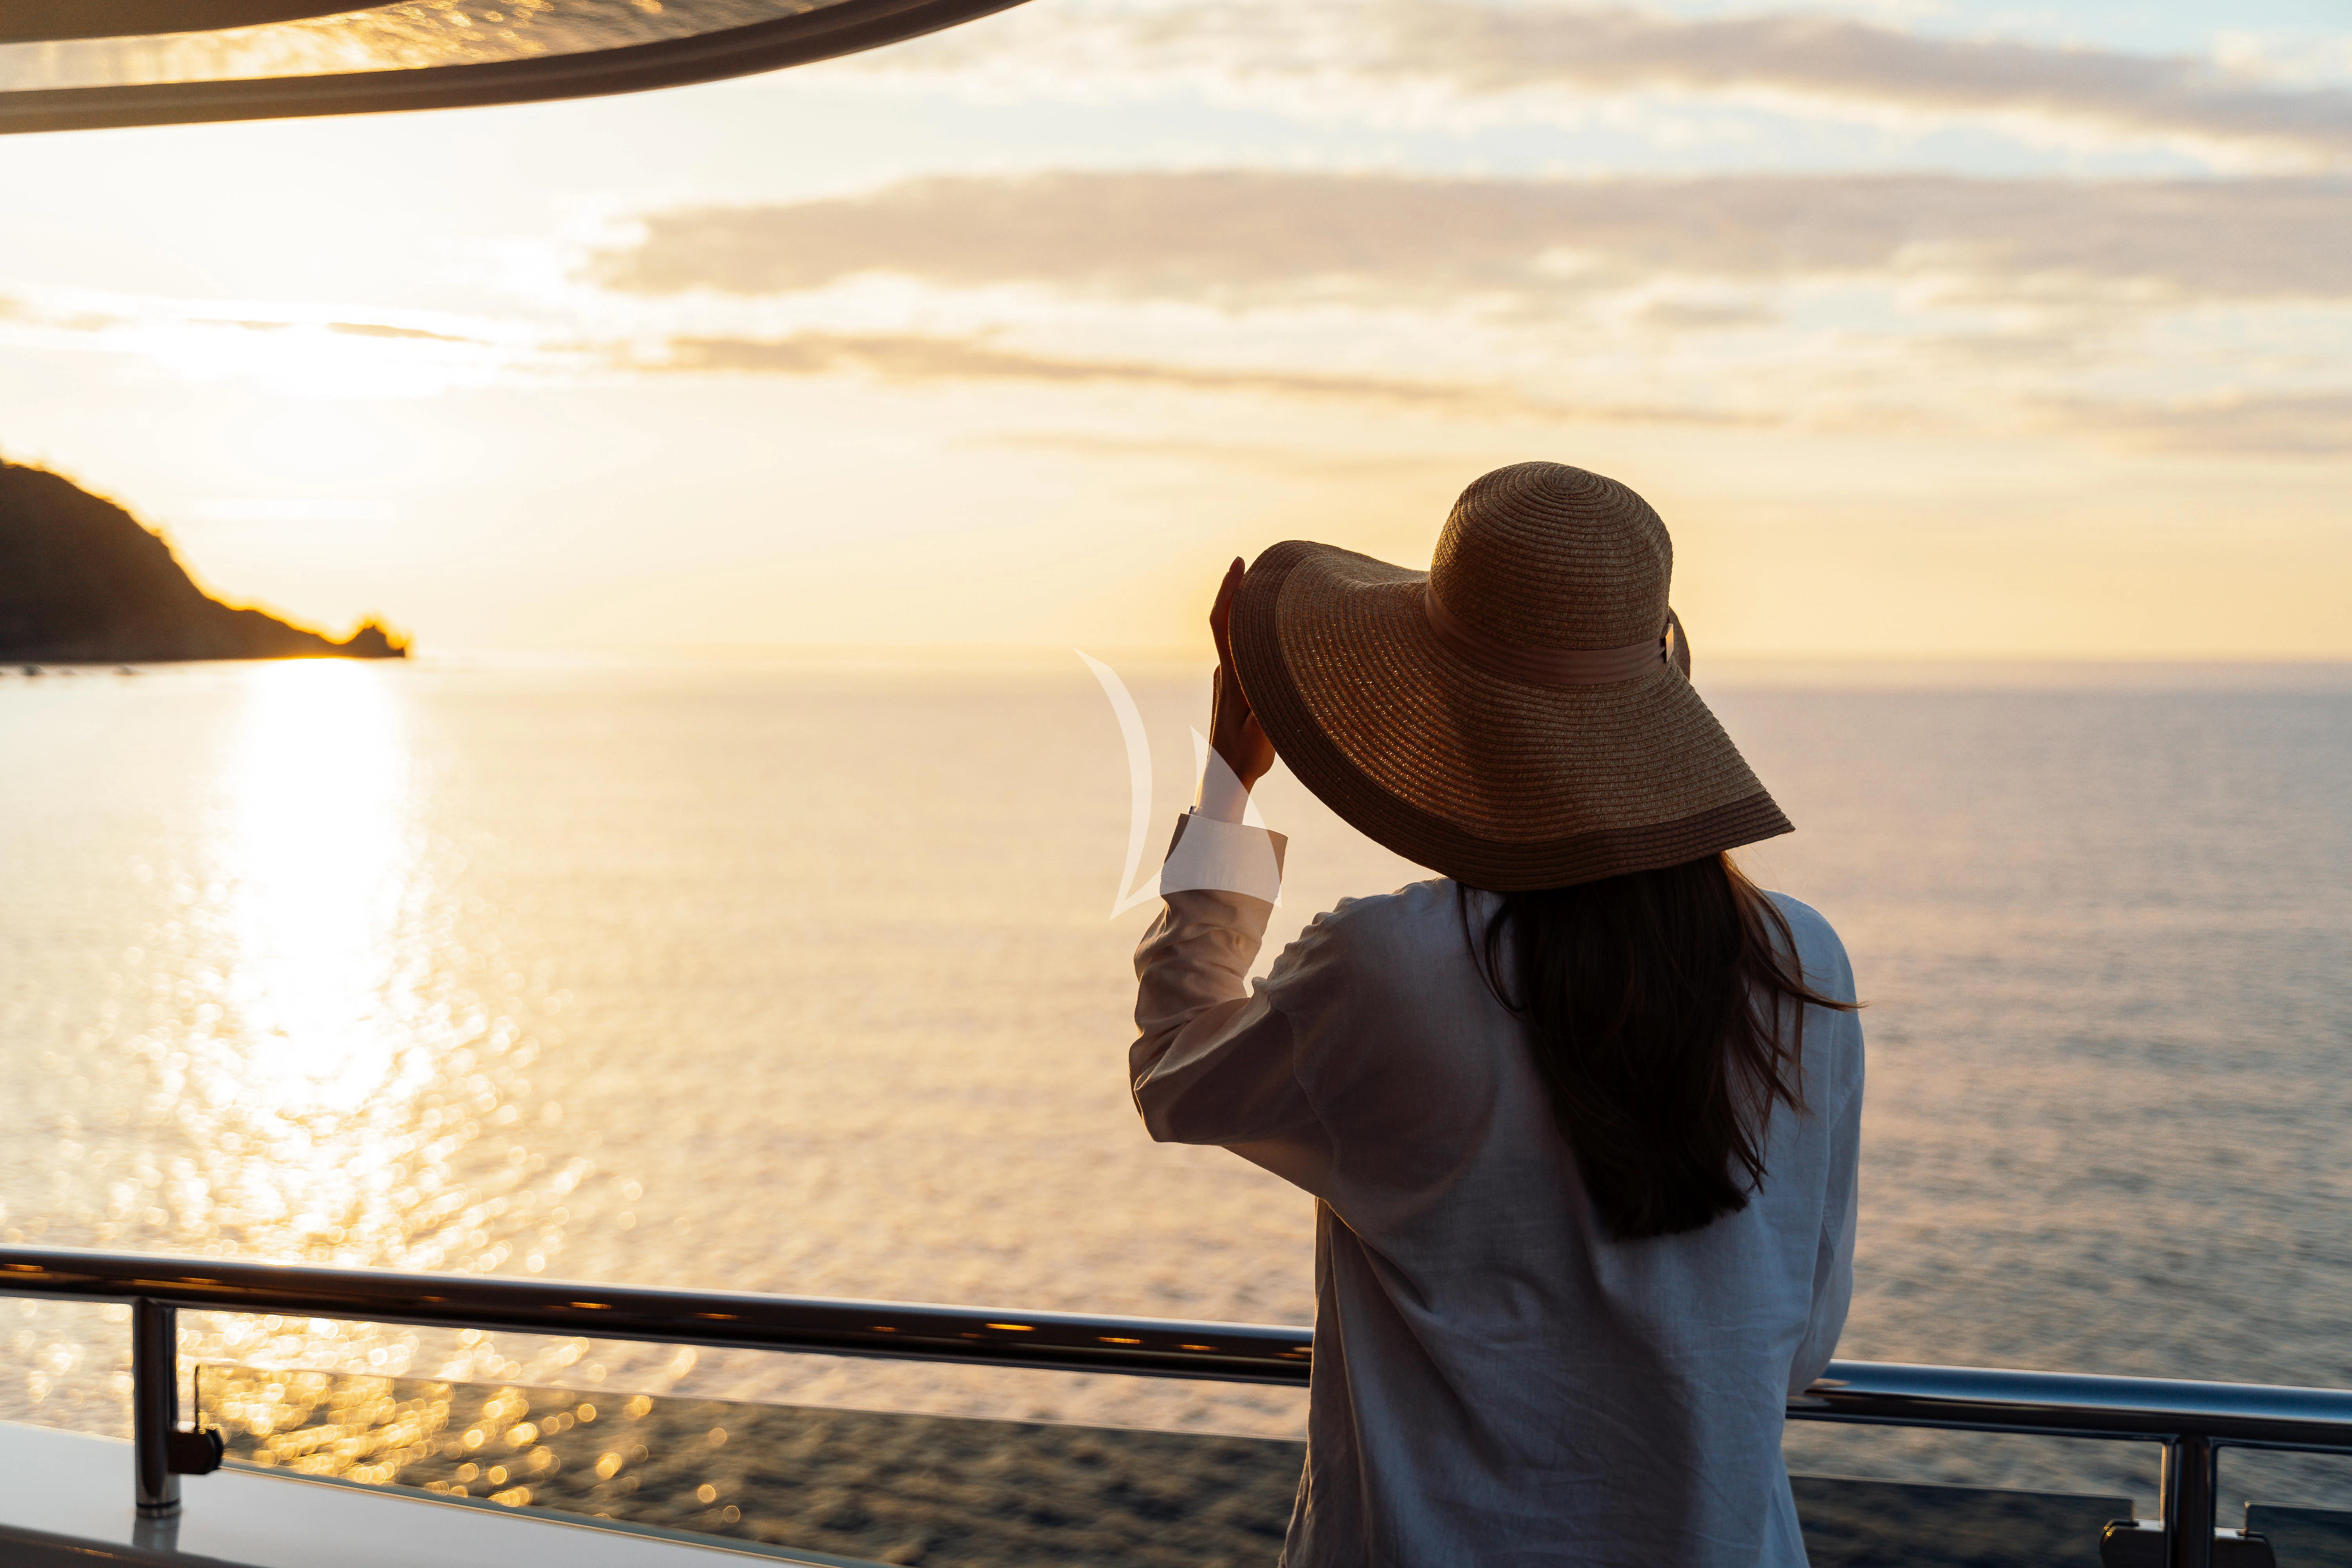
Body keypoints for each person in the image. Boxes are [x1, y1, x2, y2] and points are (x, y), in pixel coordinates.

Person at [1131, 461, 1864, 1567]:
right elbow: (1794, 1340)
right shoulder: (1799, 961)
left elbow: (1178, 1071)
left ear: (1438, 703)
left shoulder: (1395, 966)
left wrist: (1234, 784)